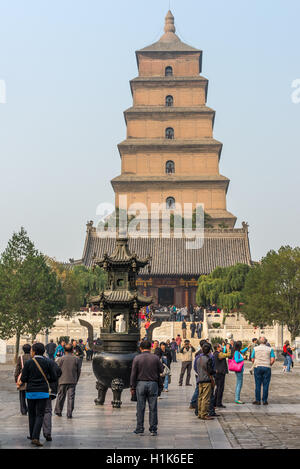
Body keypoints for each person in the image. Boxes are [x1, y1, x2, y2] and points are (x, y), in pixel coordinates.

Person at [19, 342, 57, 447]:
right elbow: (54, 377)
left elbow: (23, 378)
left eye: (31, 350)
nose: (31, 352)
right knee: (40, 414)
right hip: (43, 392)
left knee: (31, 414)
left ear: (34, 351)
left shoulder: (28, 363)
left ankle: (33, 436)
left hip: (30, 392)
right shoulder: (48, 362)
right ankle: (35, 437)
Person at [130, 340, 164, 436]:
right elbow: (161, 370)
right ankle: (153, 429)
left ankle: (139, 428)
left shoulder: (137, 358)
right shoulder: (155, 358)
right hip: (153, 384)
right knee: (153, 407)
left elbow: (133, 374)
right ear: (151, 347)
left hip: (140, 384)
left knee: (140, 407)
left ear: (140, 348)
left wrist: (132, 387)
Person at [54, 344, 82, 418]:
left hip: (62, 380)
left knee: (60, 396)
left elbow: (57, 370)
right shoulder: (76, 359)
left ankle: (58, 411)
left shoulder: (60, 359)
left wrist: (58, 379)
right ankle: (69, 413)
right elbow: (78, 371)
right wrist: (76, 379)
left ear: (64, 350)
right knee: (71, 397)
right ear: (72, 350)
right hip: (72, 380)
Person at [251, 337, 275, 405]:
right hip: (267, 367)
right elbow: (272, 359)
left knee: (258, 384)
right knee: (266, 384)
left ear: (259, 342)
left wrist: (255, 363)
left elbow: (252, 359)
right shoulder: (270, 349)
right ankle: (264, 400)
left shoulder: (255, 349)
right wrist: (269, 364)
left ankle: (258, 400)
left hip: (257, 366)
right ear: (266, 342)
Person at [42, 359, 62, 441]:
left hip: (34, 391)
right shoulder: (51, 362)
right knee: (47, 411)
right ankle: (47, 433)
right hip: (48, 390)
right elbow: (59, 372)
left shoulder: (31, 362)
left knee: (34, 413)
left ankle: (34, 435)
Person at [197, 343, 215, 420]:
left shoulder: (198, 359)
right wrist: (215, 372)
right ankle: (204, 414)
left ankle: (200, 412)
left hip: (200, 379)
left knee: (200, 397)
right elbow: (210, 371)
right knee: (206, 398)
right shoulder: (208, 359)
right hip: (206, 380)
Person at [14, 344, 31, 415]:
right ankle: (30, 409)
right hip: (31, 379)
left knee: (22, 396)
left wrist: (16, 380)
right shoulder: (32, 357)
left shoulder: (20, 358)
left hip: (22, 379)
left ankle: (23, 410)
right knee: (30, 396)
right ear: (30, 349)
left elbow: (17, 370)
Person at [213, 343, 231, 408]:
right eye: (220, 347)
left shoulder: (215, 353)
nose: (222, 348)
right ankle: (218, 403)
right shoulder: (219, 354)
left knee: (218, 388)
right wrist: (228, 349)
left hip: (218, 372)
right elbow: (228, 355)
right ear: (218, 348)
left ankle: (215, 402)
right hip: (220, 373)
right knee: (220, 388)